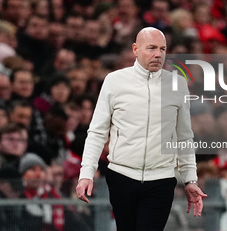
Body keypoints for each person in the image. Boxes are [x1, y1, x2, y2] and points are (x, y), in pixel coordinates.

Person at [76, 27, 207, 231]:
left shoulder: (178, 84)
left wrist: (190, 179)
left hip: (161, 179)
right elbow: (97, 132)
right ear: (135, 49)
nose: (158, 54)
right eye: (152, 48)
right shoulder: (114, 81)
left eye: (163, 49)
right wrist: (86, 173)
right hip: (121, 176)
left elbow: (184, 137)